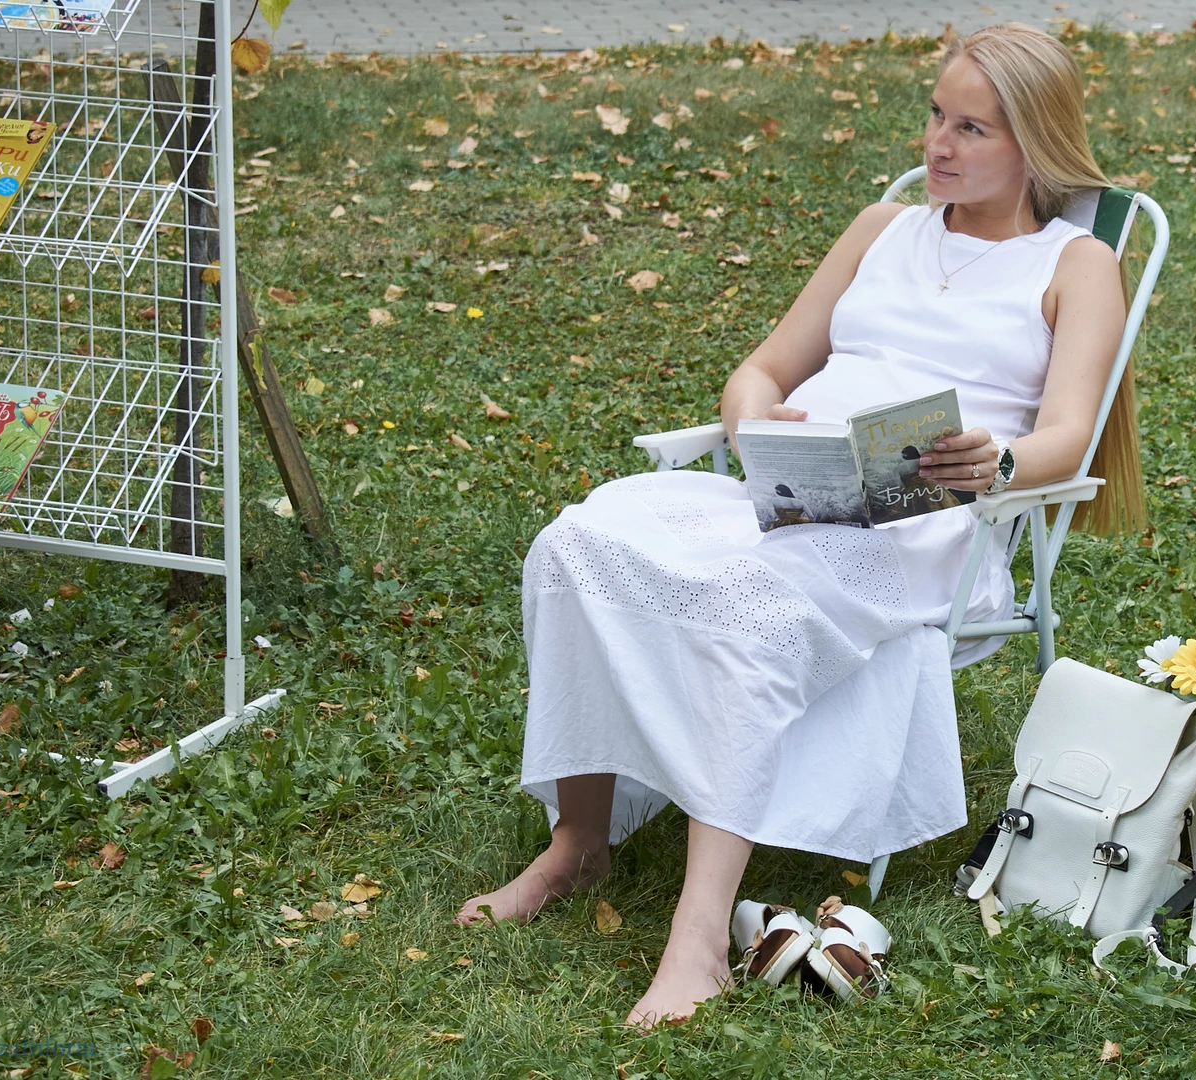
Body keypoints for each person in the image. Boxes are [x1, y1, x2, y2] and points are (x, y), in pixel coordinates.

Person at [455, 22, 1144, 1029]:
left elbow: (1071, 436)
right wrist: (754, 426)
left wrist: (997, 460)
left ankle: (698, 941)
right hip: (797, 494)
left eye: (972, 129)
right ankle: (578, 841)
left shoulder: (1074, 264)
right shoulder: (883, 228)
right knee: (575, 545)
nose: (938, 144)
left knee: (752, 604)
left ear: (1035, 142)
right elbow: (764, 367)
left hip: (930, 528)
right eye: (935, 116)